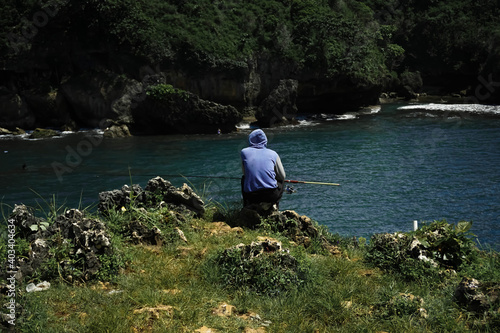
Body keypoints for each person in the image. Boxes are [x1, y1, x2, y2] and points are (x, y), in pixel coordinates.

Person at [240, 129, 286, 208]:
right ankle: (274, 205)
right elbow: (282, 176)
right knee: (281, 181)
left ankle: (247, 205)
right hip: (271, 195)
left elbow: (245, 173)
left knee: (243, 179)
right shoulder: (273, 154)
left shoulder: (244, 152)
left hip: (251, 196)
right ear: (265, 140)